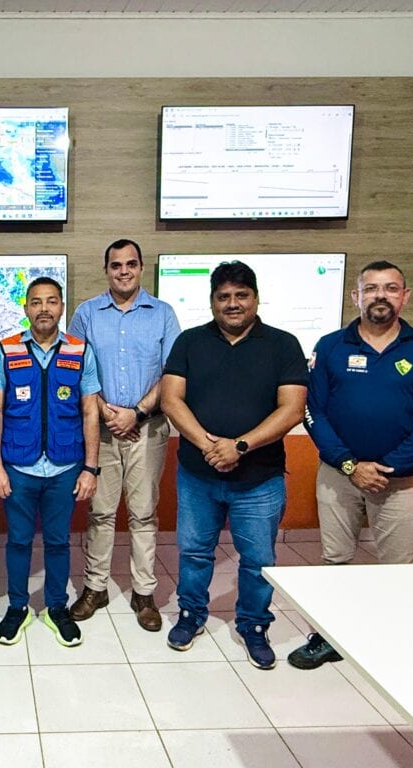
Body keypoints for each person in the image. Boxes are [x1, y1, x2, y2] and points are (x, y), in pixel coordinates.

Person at [289, 260, 413, 670]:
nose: (381, 295)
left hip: (400, 482)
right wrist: (349, 465)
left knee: (397, 570)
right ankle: (328, 637)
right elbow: (314, 412)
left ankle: (390, 644)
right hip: (338, 476)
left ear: (404, 296)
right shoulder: (330, 347)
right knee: (336, 560)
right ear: (355, 296)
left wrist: (387, 468)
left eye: (391, 288)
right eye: (372, 288)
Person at [161, 262, 307, 670]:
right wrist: (209, 445)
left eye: (241, 295)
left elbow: (293, 408)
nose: (232, 303)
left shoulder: (283, 344)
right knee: (193, 552)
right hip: (197, 475)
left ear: (256, 298)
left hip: (258, 479)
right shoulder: (190, 342)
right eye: (223, 296)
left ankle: (254, 625)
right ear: (212, 302)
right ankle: (190, 615)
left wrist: (239, 446)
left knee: (258, 558)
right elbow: (172, 400)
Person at [68, 238, 180, 632]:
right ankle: (95, 587)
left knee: (143, 512)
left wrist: (136, 412)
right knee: (99, 512)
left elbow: (172, 374)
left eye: (130, 264)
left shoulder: (163, 314)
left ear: (141, 267)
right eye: (116, 265)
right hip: (100, 431)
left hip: (147, 429)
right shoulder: (86, 314)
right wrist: (106, 413)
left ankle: (144, 592)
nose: (124, 271)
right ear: (106, 269)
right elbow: (75, 368)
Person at [0, 278, 101, 647]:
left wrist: (91, 468)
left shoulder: (80, 350)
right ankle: (17, 607)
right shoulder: (5, 349)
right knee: (18, 542)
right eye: (36, 302)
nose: (44, 309)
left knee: (57, 542)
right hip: (18, 466)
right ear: (26, 309)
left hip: (65, 467)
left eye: (51, 301)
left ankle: (56, 608)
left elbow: (90, 412)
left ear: (62, 306)